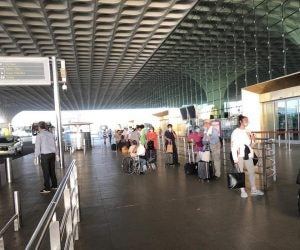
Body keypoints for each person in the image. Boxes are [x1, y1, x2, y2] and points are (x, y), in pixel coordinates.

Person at [231, 115, 264, 198]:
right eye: (245, 120)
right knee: (240, 172)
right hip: (239, 155)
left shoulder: (248, 131)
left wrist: (253, 139)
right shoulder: (236, 132)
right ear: (240, 121)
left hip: (248, 155)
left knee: (251, 171)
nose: (247, 121)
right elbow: (233, 146)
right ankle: (242, 190)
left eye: (247, 120)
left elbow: (251, 144)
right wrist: (235, 158)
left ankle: (254, 189)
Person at [34, 121, 59, 194]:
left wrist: (35, 157)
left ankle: (47, 188)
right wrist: (57, 154)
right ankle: (54, 185)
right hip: (52, 155)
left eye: (38, 127)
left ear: (39, 127)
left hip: (45, 155)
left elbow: (37, 147)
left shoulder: (39, 135)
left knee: (46, 172)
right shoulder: (51, 134)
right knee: (52, 170)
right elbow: (55, 145)